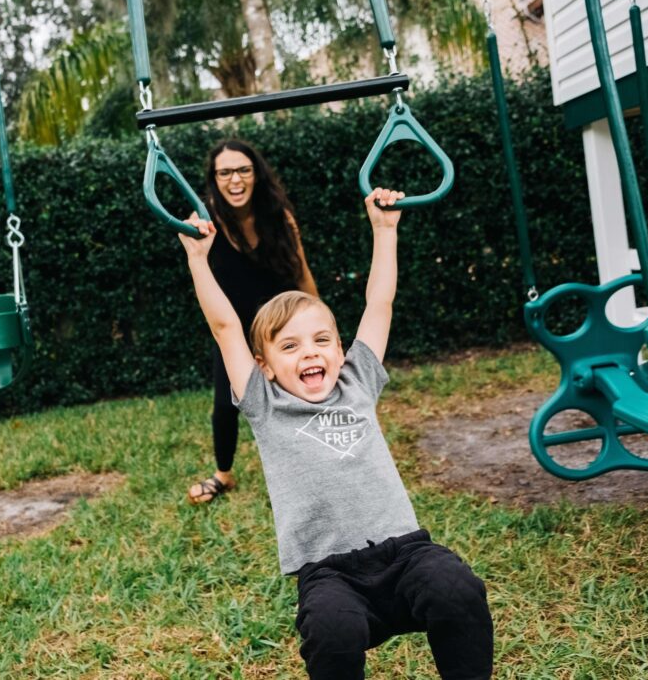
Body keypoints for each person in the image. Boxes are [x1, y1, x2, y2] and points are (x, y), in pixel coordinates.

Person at [178, 188, 494, 679]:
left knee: (457, 588)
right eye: (290, 346)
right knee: (332, 631)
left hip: (405, 551)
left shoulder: (357, 381)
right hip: (330, 573)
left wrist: (385, 231)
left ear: (341, 348)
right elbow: (225, 328)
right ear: (263, 365)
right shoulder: (265, 404)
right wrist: (200, 259)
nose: (310, 353)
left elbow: (380, 303)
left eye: (322, 340)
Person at [187, 139, 318, 504]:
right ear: (215, 179)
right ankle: (223, 475)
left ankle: (314, 460)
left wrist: (320, 325)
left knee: (300, 392)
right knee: (226, 402)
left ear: (256, 174)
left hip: (282, 324)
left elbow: (302, 272)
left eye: (243, 170)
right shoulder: (206, 223)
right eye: (225, 172)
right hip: (234, 329)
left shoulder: (279, 216)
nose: (235, 180)